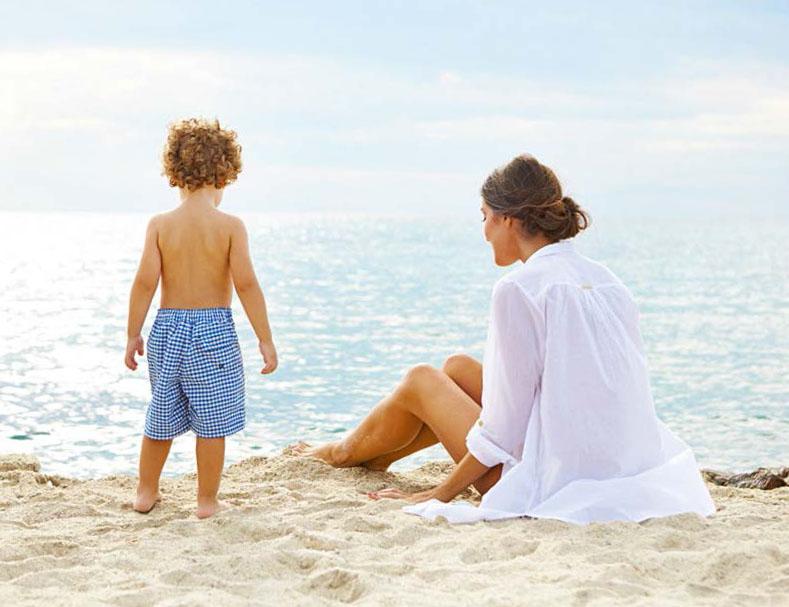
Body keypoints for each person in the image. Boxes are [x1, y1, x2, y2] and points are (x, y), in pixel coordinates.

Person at [296, 154, 715, 524]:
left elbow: (503, 428)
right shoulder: (607, 281)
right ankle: (374, 457)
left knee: (421, 379)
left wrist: (438, 493)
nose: (484, 231)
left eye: (484, 217)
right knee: (458, 367)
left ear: (508, 220)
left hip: (551, 482)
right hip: (618, 466)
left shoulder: (519, 289)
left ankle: (340, 453)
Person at [125, 118, 278, 519]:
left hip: (167, 328)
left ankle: (145, 492)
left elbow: (144, 283)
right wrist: (265, 339)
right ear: (224, 174)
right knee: (213, 422)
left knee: (161, 412)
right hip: (213, 332)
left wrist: (132, 334)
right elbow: (246, 285)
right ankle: (207, 501)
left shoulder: (160, 225)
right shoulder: (230, 227)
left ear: (175, 172)